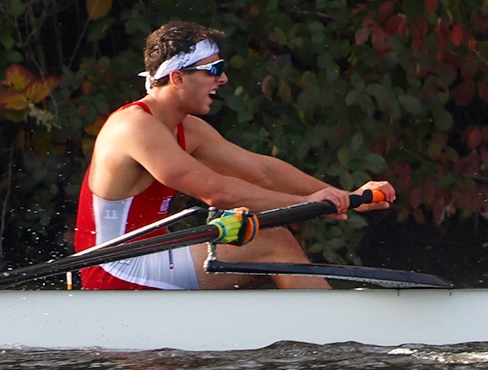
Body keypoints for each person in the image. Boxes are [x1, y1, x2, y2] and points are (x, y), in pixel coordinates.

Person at [74, 21, 396, 290]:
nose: (223, 79)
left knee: (259, 239)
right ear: (178, 78)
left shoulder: (189, 129)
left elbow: (261, 171)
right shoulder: (135, 128)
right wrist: (310, 204)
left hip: (155, 254)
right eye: (214, 69)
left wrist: (343, 195)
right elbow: (217, 192)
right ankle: (336, 339)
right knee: (274, 243)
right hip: (115, 267)